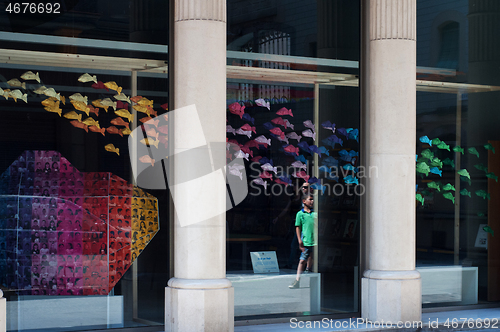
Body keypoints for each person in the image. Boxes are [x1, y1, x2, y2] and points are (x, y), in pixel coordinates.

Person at [289, 193, 316, 289]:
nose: (312, 201)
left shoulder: (315, 213)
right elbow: (298, 227)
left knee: (312, 260)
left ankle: (310, 274)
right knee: (302, 261)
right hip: (307, 241)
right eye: (310, 199)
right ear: (304, 201)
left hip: (316, 242)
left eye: (313, 200)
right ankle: (297, 280)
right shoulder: (300, 214)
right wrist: (300, 240)